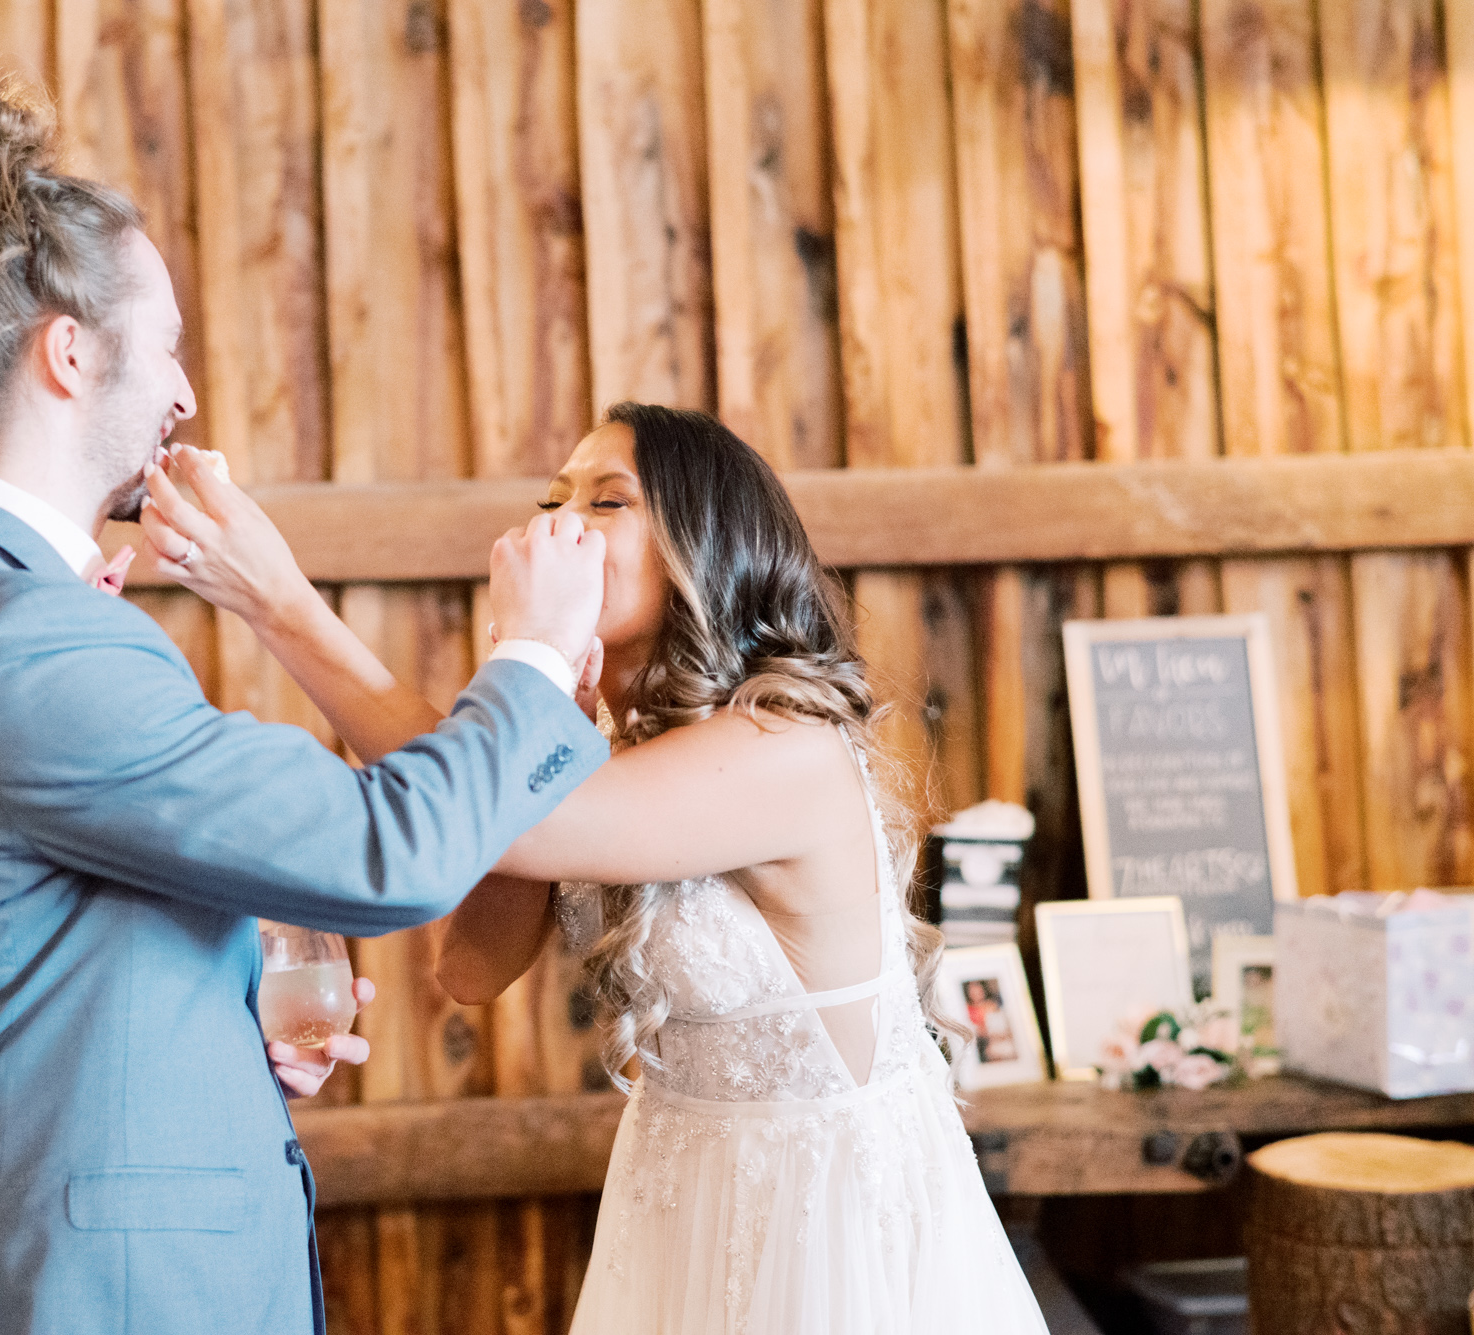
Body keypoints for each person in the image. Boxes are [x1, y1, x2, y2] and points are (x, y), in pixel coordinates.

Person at [0, 75, 611, 1335]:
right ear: (70, 353)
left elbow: (41, 965)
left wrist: (213, 1027)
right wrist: (531, 655)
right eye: (168, 344)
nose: (184, 396)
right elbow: (383, 851)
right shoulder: (29, 639)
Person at [139, 403, 1049, 1333]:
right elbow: (471, 968)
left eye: (607, 502)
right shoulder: (598, 750)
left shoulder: (786, 745)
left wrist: (282, 602)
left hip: (821, 1214)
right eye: (551, 499)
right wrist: (542, 715)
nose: (557, 526)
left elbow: (492, 821)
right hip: (679, 1189)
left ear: (702, 548)